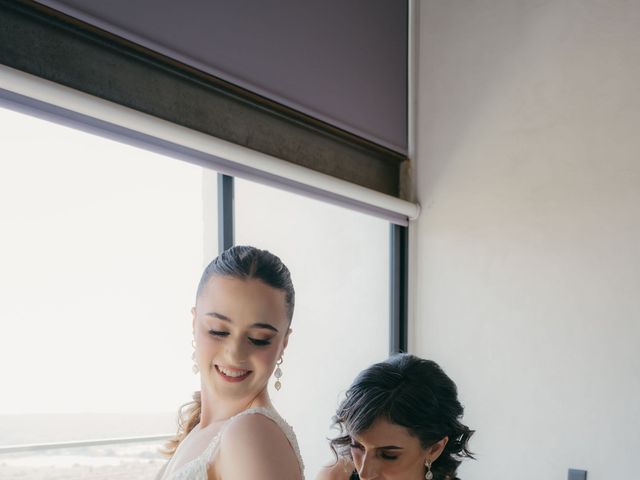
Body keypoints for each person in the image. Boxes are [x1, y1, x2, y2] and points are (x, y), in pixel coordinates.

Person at [157, 245, 304, 480]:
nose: (235, 354)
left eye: (258, 339)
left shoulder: (251, 434)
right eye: (218, 331)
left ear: (283, 342)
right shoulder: (203, 430)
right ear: (194, 323)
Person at [317, 354, 474, 480]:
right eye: (357, 446)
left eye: (388, 455)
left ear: (434, 449)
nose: (364, 473)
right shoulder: (335, 476)